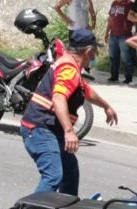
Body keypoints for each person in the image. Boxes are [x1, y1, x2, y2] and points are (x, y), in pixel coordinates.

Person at [20, 29, 118, 196]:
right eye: (95, 52)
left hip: (49, 128)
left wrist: (106, 106)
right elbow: (59, 98)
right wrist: (69, 131)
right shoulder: (69, 68)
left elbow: (86, 91)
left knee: (70, 172)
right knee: (53, 176)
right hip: (40, 128)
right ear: (88, 51)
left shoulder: (70, 66)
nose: (94, 57)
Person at [52, 0, 96, 79]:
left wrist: (93, 25)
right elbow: (57, 7)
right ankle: (74, 71)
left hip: (85, 30)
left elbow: (93, 13)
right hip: (74, 30)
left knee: (86, 51)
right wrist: (66, 19)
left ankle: (84, 70)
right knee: (75, 51)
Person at [104, 0, 133, 84]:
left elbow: (133, 18)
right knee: (113, 56)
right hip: (113, 35)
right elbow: (110, 19)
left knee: (126, 57)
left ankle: (128, 77)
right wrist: (106, 32)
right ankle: (114, 76)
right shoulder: (113, 4)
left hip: (124, 35)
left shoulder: (129, 4)